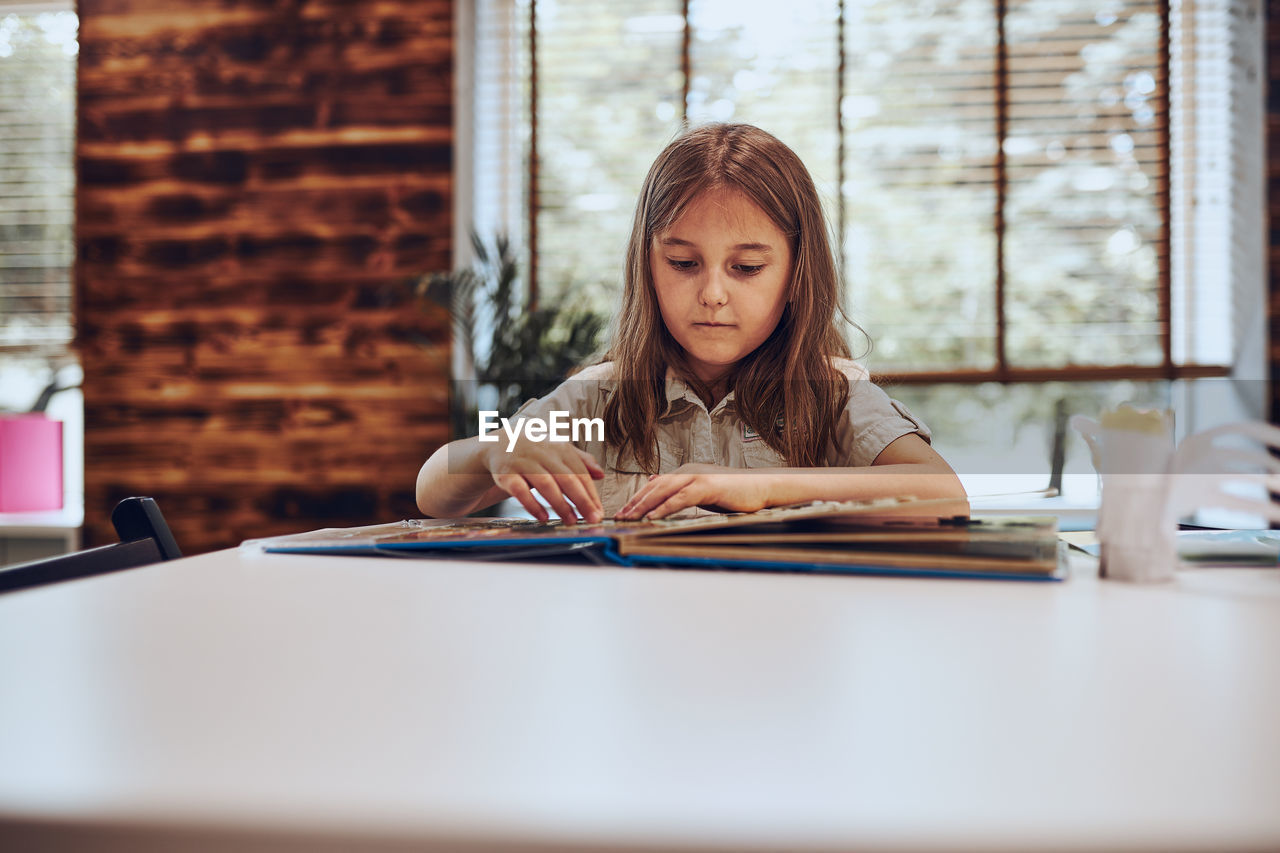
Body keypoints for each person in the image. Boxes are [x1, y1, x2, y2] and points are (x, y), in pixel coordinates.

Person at [416, 123, 966, 524]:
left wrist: (764, 487)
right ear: (647, 264)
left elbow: (944, 495)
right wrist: (491, 454)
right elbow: (433, 492)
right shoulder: (600, 399)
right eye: (683, 264)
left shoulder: (830, 395)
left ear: (797, 273)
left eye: (747, 268)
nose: (712, 294)